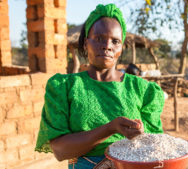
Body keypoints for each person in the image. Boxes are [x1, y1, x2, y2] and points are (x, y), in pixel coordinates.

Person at [35, 4, 164, 169]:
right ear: (85, 43)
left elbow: (155, 146)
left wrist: (142, 133)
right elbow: (61, 150)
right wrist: (110, 128)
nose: (107, 46)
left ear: (121, 48)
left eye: (115, 41)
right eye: (99, 38)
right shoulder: (64, 87)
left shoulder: (143, 90)